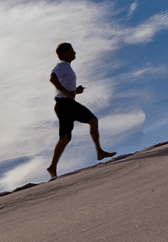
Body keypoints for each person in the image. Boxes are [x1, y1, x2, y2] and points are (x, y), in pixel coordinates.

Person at [47, 42, 116, 179]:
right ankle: (98, 152)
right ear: (65, 52)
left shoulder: (68, 68)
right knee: (84, 126)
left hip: (67, 103)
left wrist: (75, 91)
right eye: (72, 50)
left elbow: (69, 93)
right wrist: (68, 92)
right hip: (64, 104)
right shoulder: (62, 65)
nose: (75, 52)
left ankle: (53, 166)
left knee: (70, 135)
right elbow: (52, 78)